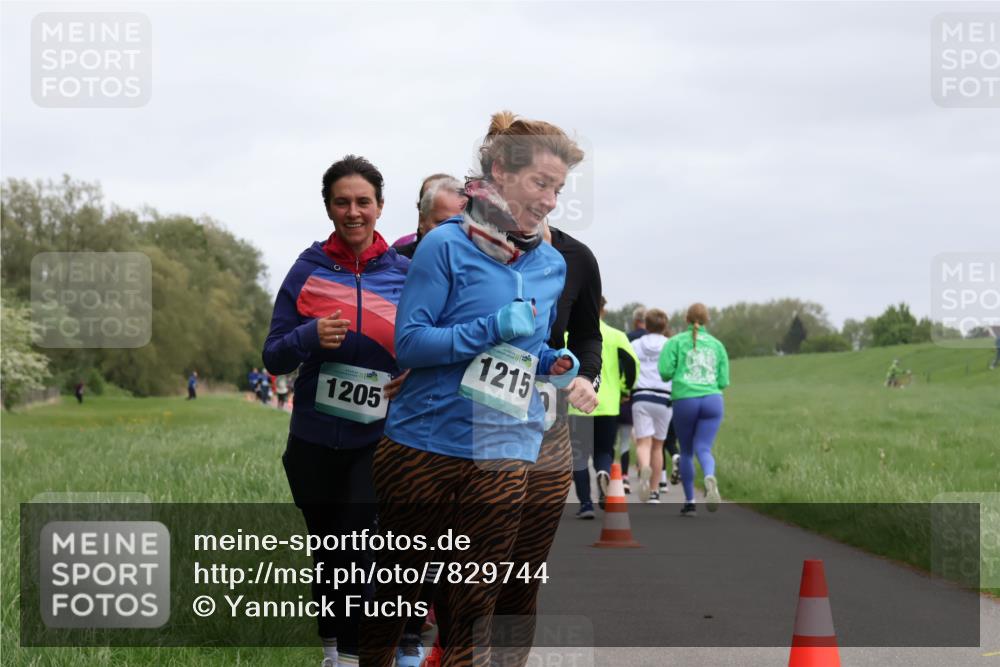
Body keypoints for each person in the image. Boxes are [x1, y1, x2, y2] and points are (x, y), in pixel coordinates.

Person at [360, 111, 582, 667]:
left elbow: (527, 350)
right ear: (501, 172)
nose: (551, 200)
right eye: (541, 184)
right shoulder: (445, 248)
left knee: (472, 608)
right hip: (424, 449)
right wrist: (488, 330)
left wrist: (554, 360)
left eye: (558, 188)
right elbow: (409, 344)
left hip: (505, 450)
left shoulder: (552, 263)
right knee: (395, 597)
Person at [262, 155, 409, 667]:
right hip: (313, 441)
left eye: (363, 202)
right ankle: (332, 651)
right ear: (328, 207)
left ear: (380, 207)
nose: (353, 212)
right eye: (342, 202)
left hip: (377, 440)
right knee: (329, 553)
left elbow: (424, 342)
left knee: (357, 550)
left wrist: (414, 371)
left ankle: (352, 656)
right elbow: (273, 354)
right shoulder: (307, 270)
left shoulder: (404, 275)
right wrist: (307, 335)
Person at [659, 303, 730, 516]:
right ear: (707, 320)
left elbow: (664, 371)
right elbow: (724, 380)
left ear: (686, 320)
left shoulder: (676, 342)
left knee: (687, 451)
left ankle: (690, 501)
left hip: (685, 400)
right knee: (704, 449)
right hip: (713, 399)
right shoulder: (717, 345)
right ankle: (709, 475)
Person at [570, 297, 638, 515]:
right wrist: (626, 388)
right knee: (604, 450)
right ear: (604, 311)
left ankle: (585, 505)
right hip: (608, 404)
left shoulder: (567, 335)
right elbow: (632, 366)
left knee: (579, 455)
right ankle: (603, 473)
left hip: (576, 403)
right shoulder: (617, 336)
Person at [630, 309, 673, 503]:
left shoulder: (635, 344)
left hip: (641, 396)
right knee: (658, 445)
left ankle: (644, 467)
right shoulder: (670, 344)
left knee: (643, 442)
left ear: (646, 325)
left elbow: (629, 367)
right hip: (664, 397)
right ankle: (655, 492)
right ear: (665, 326)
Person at [395, 174, 467, 259]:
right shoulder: (396, 262)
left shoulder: (481, 263)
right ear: (422, 220)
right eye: (442, 223)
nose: (452, 230)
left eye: (460, 223)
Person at [618, 304, 647, 493]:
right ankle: (654, 477)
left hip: (630, 392)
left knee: (625, 438)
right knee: (647, 438)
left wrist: (624, 389)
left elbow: (623, 364)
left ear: (636, 321)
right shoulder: (661, 339)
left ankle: (625, 477)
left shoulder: (628, 339)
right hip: (652, 393)